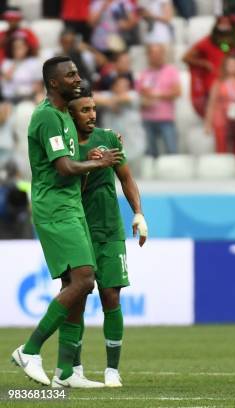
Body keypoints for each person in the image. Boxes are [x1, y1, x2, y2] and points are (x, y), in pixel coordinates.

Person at [10, 56, 122, 388]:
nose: (77, 77)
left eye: (76, 72)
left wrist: (96, 149)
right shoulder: (46, 117)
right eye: (70, 74)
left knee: (76, 287)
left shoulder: (63, 115)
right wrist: (100, 165)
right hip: (55, 209)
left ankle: (66, 372)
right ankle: (30, 349)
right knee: (84, 281)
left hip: (71, 206)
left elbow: (75, 156)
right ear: (54, 82)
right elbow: (63, 168)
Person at [68, 84, 147, 387]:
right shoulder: (66, 148)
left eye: (93, 109)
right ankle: (74, 369)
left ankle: (112, 369)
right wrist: (89, 164)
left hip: (110, 230)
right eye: (85, 110)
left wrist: (138, 213)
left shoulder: (109, 138)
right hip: (78, 230)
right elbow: (69, 188)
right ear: (70, 113)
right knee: (76, 299)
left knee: (111, 296)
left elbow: (126, 178)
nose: (91, 115)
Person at [136, 44, 181, 157]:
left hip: (165, 118)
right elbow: (139, 94)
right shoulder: (144, 73)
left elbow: (177, 92)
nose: (156, 56)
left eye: (159, 53)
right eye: (153, 53)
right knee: (150, 154)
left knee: (172, 152)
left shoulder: (171, 71)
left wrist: (156, 94)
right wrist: (145, 99)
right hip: (147, 118)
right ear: (148, 55)